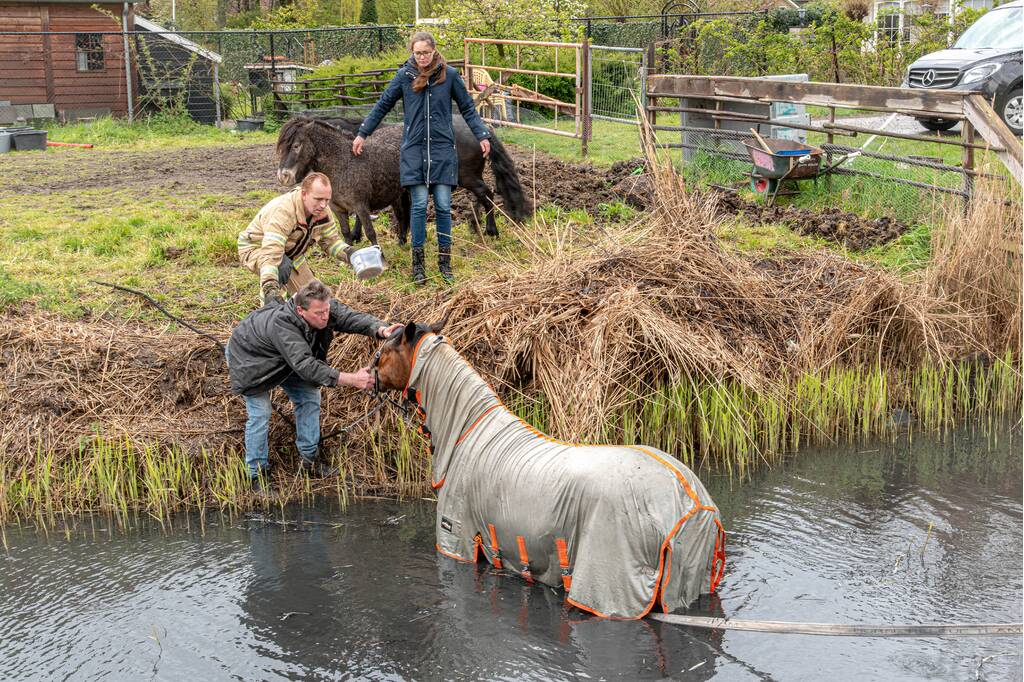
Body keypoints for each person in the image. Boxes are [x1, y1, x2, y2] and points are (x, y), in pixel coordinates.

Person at [226, 279, 402, 491]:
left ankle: (309, 460)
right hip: (250, 360)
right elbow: (306, 366)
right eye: (319, 314)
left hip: (287, 359)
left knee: (309, 397)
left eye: (327, 311)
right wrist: (353, 379)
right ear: (300, 310)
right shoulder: (282, 323)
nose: (325, 317)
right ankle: (257, 476)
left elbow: (351, 318)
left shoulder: (323, 307)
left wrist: (381, 329)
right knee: (260, 414)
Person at [352, 31, 491, 286]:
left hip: (441, 151)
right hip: (414, 151)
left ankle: (444, 262)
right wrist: (363, 133)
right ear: (412, 52)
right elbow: (383, 105)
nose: (422, 57)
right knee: (417, 207)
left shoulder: (448, 76)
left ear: (434, 51)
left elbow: (468, 108)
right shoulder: (404, 76)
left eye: (426, 53)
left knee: (442, 206)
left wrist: (481, 134)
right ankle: (418, 265)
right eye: (417, 53)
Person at [238, 172, 353, 305]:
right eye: (318, 199)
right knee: (280, 269)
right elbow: (271, 253)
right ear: (304, 194)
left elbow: (331, 242)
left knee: (314, 298)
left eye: (327, 200)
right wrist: (269, 286)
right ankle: (268, 311)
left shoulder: (323, 211)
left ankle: (295, 311)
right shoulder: (284, 212)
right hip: (257, 248)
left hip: (291, 253)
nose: (323, 205)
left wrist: (350, 253)